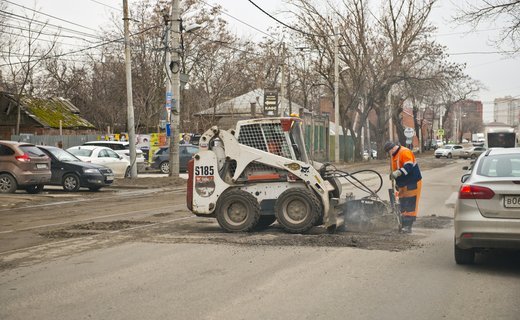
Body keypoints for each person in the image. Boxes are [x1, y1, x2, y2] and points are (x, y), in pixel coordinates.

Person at [384, 141, 422, 233]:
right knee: (403, 204)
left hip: (412, 182)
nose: (388, 155)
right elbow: (395, 169)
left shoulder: (404, 152)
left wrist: (397, 173)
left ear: (392, 149)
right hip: (403, 184)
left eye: (388, 152)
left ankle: (408, 227)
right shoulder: (393, 156)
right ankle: (404, 224)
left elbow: (408, 167)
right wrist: (397, 183)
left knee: (410, 205)